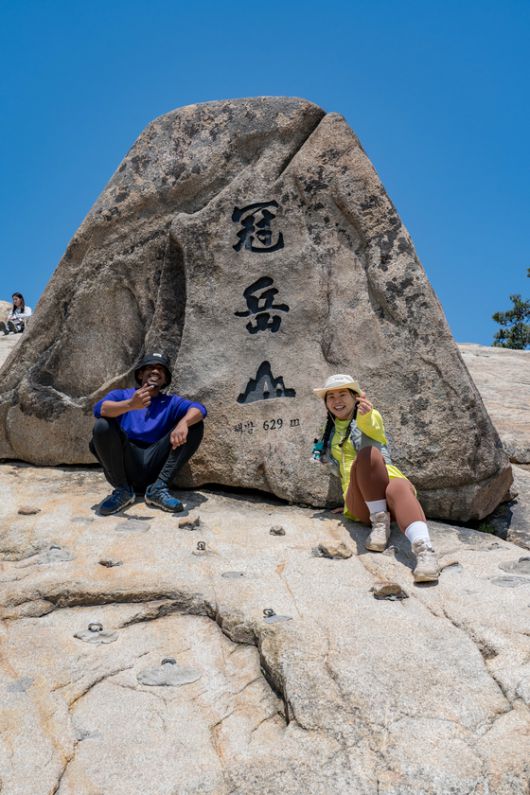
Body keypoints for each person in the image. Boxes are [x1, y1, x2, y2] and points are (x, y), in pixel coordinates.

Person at [312, 373, 440, 582]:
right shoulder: (330, 433)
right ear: (326, 403)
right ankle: (379, 522)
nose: (337, 401)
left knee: (383, 471)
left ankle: (425, 553)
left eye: (343, 394)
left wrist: (366, 414)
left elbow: (371, 424)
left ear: (356, 398)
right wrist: (348, 498)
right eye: (331, 396)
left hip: (390, 490)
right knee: (366, 456)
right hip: (362, 504)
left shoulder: (369, 417)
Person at [90, 352, 206, 516]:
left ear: (165, 379)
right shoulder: (122, 395)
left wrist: (183, 423)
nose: (155, 372)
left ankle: (158, 489)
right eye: (150, 368)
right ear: (140, 374)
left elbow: (200, 409)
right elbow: (99, 409)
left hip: (155, 464)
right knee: (102, 425)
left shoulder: (170, 402)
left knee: (195, 425)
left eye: (161, 370)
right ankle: (123, 490)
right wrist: (130, 404)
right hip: (126, 465)